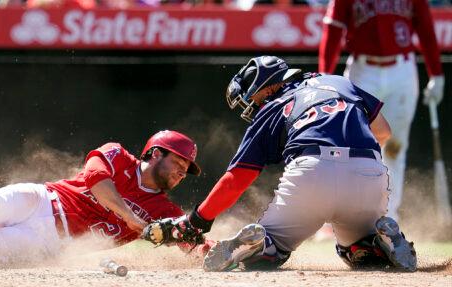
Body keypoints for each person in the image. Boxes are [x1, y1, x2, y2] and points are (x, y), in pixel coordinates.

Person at [143, 56, 417, 272]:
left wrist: (196, 221)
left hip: (311, 172)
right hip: (368, 172)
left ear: (269, 86)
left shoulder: (273, 107)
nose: (251, 105)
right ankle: (380, 241)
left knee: (274, 249)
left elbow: (237, 179)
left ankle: (261, 246)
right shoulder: (338, 82)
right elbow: (383, 131)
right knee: (357, 251)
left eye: (253, 97)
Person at [0, 130, 209, 264]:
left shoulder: (164, 209)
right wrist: (132, 219)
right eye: (178, 162)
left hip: (54, 242)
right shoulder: (117, 154)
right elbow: (98, 183)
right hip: (44, 198)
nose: (182, 172)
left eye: (186, 168)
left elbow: (188, 242)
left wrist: (213, 249)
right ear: (155, 153)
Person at [318, 0, 445, 221]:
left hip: (402, 70)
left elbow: (425, 26)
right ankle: (351, 217)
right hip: (362, 70)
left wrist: (437, 73)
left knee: (395, 147)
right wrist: (323, 77)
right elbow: (333, 30)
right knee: (356, 146)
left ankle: (388, 217)